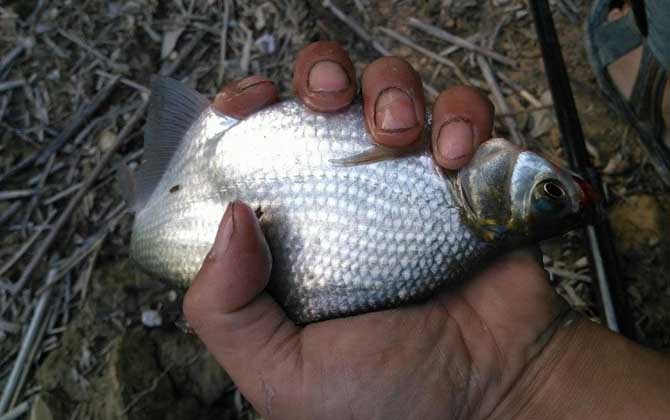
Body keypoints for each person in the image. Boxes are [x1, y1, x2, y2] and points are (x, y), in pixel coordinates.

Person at [183, 1, 670, 418]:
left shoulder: (468, 229)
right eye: (550, 193)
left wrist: (518, 387)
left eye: (550, 192)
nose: (550, 176)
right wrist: (522, 384)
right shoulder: (468, 232)